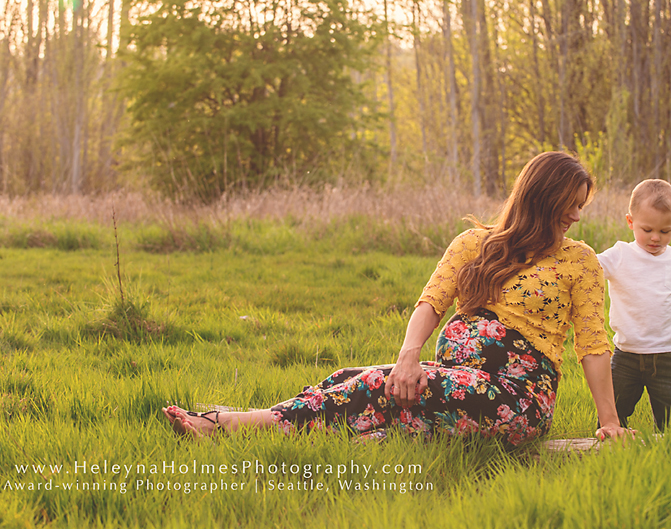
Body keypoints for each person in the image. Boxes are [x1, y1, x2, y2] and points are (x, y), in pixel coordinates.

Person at [164, 152, 631, 445]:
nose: (575, 215)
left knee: (374, 387)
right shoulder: (474, 243)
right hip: (452, 377)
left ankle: (229, 425)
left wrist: (609, 421)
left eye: (581, 206)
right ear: (539, 198)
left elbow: (592, 344)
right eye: (568, 203)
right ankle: (349, 435)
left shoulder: (580, 260)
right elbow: (430, 303)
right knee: (349, 377)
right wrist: (409, 356)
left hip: (516, 397)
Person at [596, 179, 671, 432]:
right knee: (614, 408)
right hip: (627, 354)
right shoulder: (619, 255)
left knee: (670, 414)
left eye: (665, 231)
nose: (656, 238)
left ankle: (669, 447)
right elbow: (588, 268)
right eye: (647, 230)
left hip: (669, 354)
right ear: (630, 221)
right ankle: (609, 443)